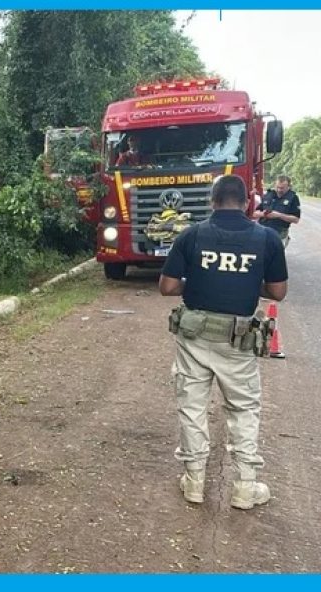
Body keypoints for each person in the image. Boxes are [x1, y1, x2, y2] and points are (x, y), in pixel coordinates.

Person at [159, 174, 288, 510]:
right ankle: (245, 488)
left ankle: (194, 482)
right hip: (239, 341)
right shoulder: (267, 239)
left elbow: (168, 287)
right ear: (248, 203)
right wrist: (245, 284)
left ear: (211, 201)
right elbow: (278, 292)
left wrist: (200, 281)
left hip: (195, 338)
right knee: (244, 410)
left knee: (192, 407)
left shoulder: (191, 236)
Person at [253, 175, 301, 248]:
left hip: (280, 233)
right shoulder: (268, 195)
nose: (279, 190)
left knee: (275, 256)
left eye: (282, 188)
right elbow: (254, 214)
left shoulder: (293, 198)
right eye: (277, 187)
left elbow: (296, 219)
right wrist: (263, 214)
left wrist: (279, 215)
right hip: (263, 230)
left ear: (288, 186)